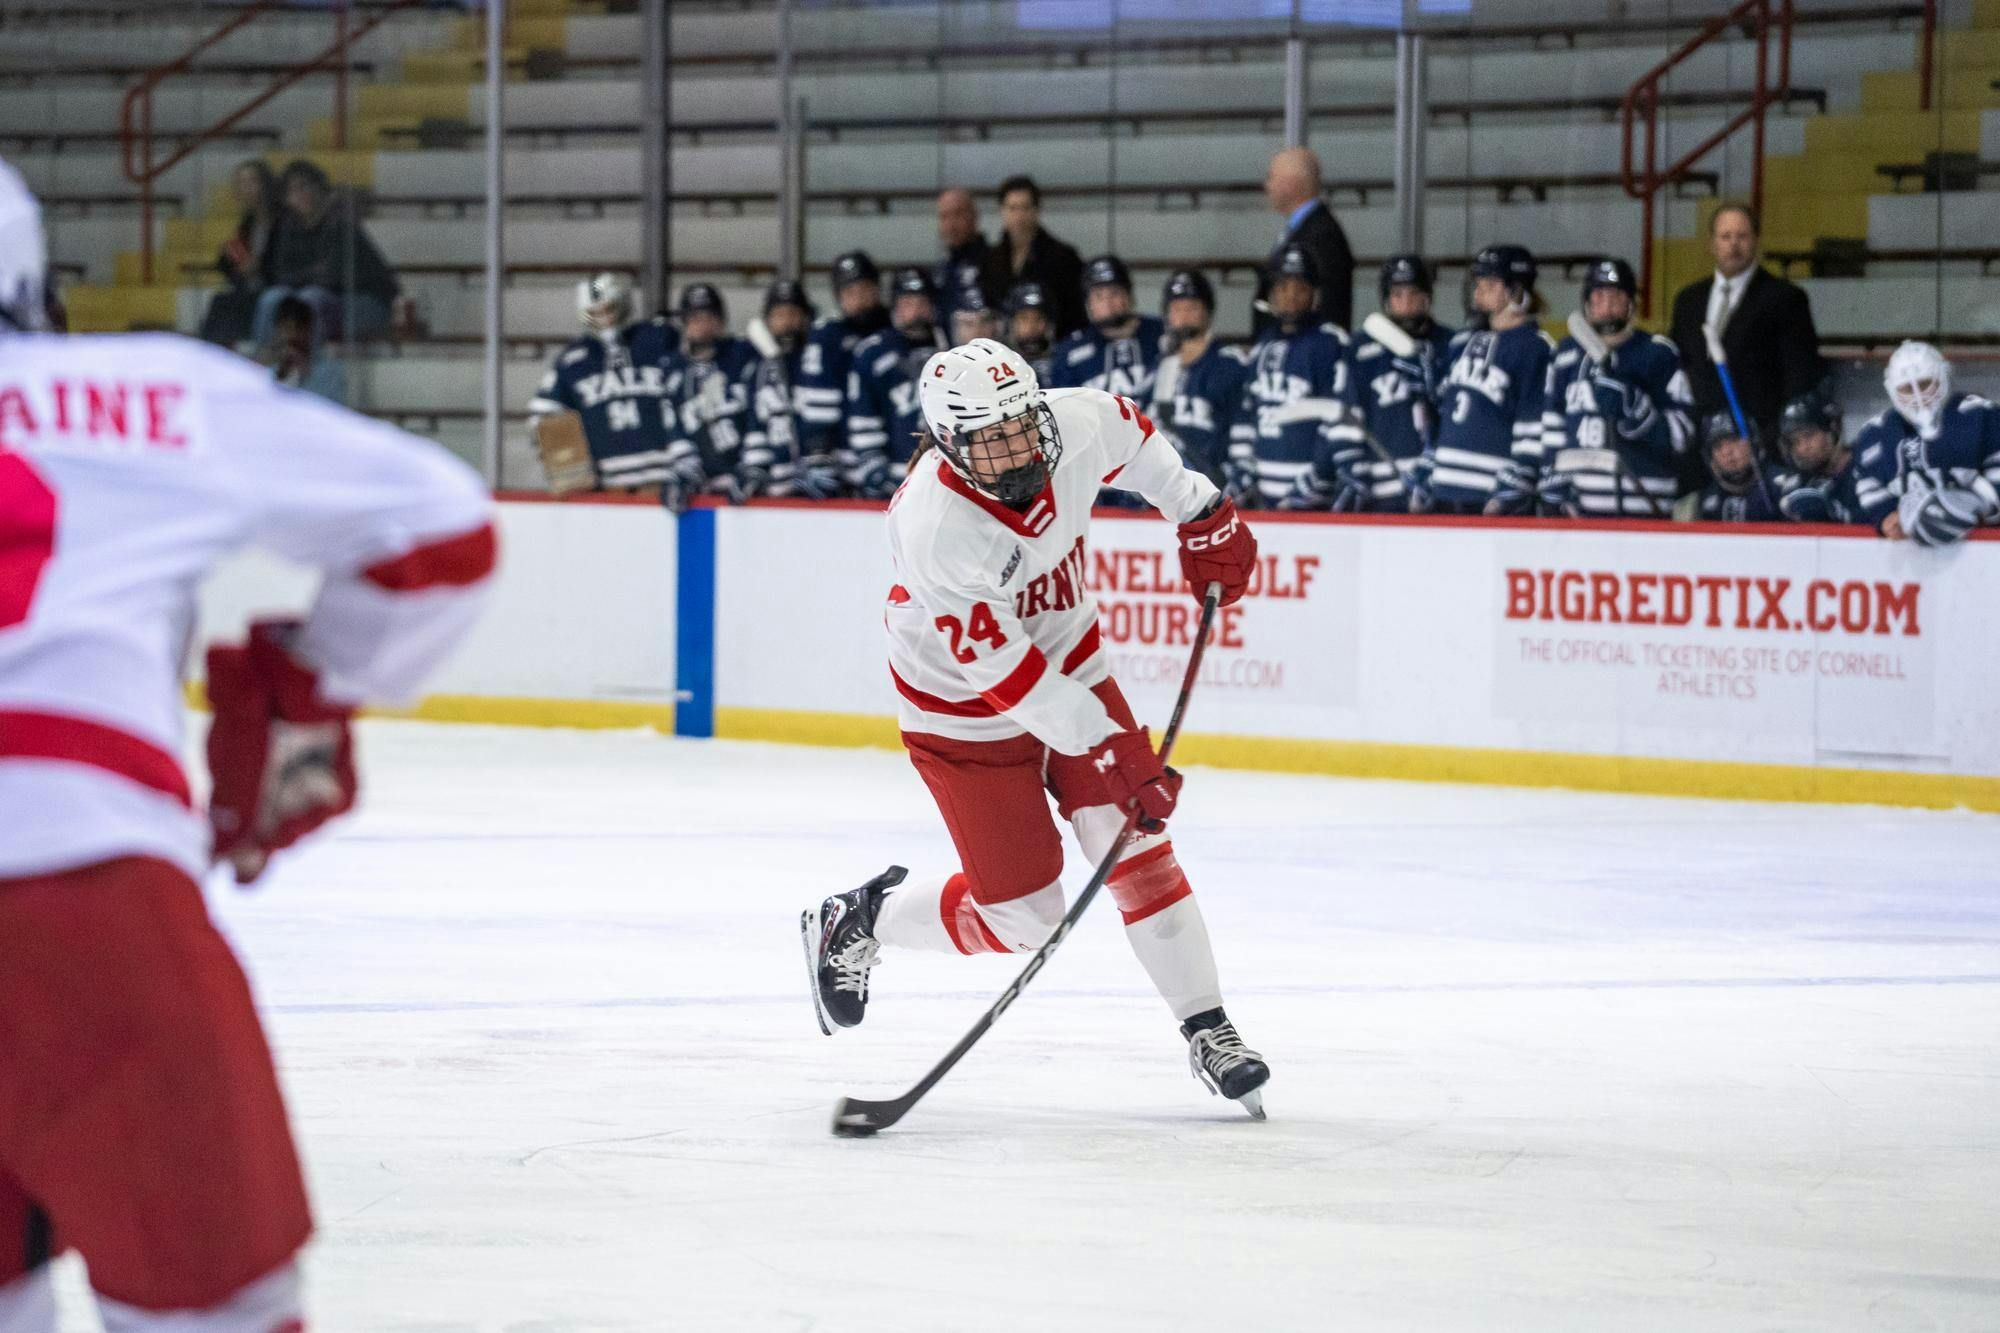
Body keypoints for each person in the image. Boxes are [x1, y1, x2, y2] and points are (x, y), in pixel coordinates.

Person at [0, 159, 495, 1331]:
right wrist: (308, 684)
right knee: (213, 1305)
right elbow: (444, 530)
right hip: (86, 893)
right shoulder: (150, 390)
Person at [798, 337, 1272, 1118]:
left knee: (1134, 844)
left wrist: (1201, 511)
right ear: (949, 445)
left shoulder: (1076, 421)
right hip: (963, 712)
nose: (1019, 447)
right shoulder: (934, 525)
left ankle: (1207, 1025)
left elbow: (1139, 442)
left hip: (1072, 665)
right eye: (994, 439)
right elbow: (1009, 676)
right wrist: (1113, 745)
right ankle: (864, 918)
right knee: (1024, 919)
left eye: (1023, 425)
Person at [1669, 203, 1824, 488]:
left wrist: (1761, 439)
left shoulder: (1786, 298)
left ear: (1756, 240)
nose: (1734, 245)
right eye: (1725, 237)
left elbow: (1799, 378)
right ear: (1712, 243)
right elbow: (1678, 370)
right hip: (1698, 453)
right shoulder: (1688, 301)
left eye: (1742, 236)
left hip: (1758, 453)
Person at [1293, 255, 1452, 511]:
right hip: (1382, 491)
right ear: (1386, 300)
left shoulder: (1449, 346)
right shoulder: (1361, 350)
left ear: (1428, 297)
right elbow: (1346, 414)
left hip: (1436, 486)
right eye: (1398, 295)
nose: (1406, 303)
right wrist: (1352, 469)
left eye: (1413, 294)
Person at [1541, 258, 1695, 519]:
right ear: (1587, 303)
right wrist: (1553, 482)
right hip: (1578, 510)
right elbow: (1552, 424)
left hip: (1645, 506)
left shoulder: (1659, 353)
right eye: (1599, 296)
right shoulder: (1565, 355)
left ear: (1631, 303)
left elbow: (1683, 435)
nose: (1607, 306)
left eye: (1616, 297)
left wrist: (1636, 410)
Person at [1418, 245, 1556, 515]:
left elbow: (1534, 427)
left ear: (1516, 292)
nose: (1478, 293)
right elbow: (1445, 415)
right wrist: (1428, 465)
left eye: (1490, 285)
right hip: (1444, 490)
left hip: (1489, 495)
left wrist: (1518, 481)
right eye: (1478, 284)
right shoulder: (1461, 343)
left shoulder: (1536, 349)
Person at [526, 272, 683, 492]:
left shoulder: (659, 338)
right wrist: (571, 469)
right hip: (611, 485)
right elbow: (543, 413)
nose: (605, 319)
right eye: (595, 313)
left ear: (624, 305)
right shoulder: (572, 360)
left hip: (668, 479)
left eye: (610, 309)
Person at [1235, 245, 1352, 508]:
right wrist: (1245, 470)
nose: (1291, 295)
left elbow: (1339, 415)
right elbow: (1248, 412)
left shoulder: (1330, 342)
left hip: (1312, 499)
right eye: (1283, 287)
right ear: (1272, 293)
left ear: (1315, 294)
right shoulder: (1263, 345)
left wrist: (1318, 478)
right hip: (1262, 496)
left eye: (1300, 288)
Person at [1852, 340, 2000, 546]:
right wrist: (1886, 514)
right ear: (1892, 390)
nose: (1918, 396)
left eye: (1924, 384)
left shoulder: (1982, 416)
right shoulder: (1874, 434)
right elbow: (1867, 487)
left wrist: (1976, 507)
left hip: (1983, 548)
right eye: (1907, 388)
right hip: (1909, 556)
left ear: (1943, 376)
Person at [251, 159, 399, 348]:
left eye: (304, 187)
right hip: (318, 296)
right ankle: (263, 359)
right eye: (292, 191)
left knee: (310, 299)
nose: (300, 195)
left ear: (319, 188)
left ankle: (306, 363)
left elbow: (332, 276)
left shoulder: (340, 221)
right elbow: (281, 272)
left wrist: (299, 280)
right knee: (272, 298)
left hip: (366, 301)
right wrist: (302, 279)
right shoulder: (288, 226)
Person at [843, 267, 948, 498]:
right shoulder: (872, 353)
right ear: (894, 306)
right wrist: (876, 473)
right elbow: (863, 418)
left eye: (922, 303)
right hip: (895, 480)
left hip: (947, 480)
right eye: (907, 303)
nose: (916, 311)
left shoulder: (952, 348)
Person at [1150, 268, 1254, 496]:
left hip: (1215, 486)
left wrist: (1237, 479)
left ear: (1208, 311)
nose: (1184, 315)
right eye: (1177, 308)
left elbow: (1243, 424)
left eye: (1192, 307)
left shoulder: (1229, 363)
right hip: (1166, 491)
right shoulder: (1161, 366)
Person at [662, 282, 763, 509]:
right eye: (696, 319)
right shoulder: (673, 370)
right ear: (685, 323)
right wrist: (685, 473)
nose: (704, 325)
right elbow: (676, 430)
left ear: (722, 321)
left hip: (754, 486)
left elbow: (759, 413)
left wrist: (755, 465)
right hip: (707, 491)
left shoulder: (743, 355)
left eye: (710, 318)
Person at [794, 250, 889, 491]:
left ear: (877, 289)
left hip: (894, 461)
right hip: (846, 468)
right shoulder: (828, 338)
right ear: (839, 297)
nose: (859, 299)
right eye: (850, 292)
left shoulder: (895, 334)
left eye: (864, 289)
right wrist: (818, 456)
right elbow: (819, 409)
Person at [746, 277, 839, 499]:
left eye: (793, 314)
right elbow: (757, 425)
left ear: (806, 317)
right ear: (767, 321)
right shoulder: (757, 370)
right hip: (778, 490)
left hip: (826, 488)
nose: (787, 322)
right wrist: (755, 470)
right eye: (779, 315)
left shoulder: (820, 360)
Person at [1252, 146, 1354, 338]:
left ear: (1292, 183)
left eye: (1272, 177)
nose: (1268, 186)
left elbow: (1329, 304)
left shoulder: (1322, 234)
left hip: (1307, 350)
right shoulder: (1306, 228)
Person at [1046, 254, 1165, 401]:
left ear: (1129, 295)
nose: (1107, 303)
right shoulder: (1069, 352)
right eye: (1099, 296)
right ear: (1088, 303)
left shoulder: (1162, 332)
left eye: (1114, 293)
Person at [979, 175, 1086, 338]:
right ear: (1002, 211)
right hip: (1001, 346)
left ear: (1036, 210)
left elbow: (1075, 312)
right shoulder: (989, 259)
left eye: (1025, 207)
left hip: (1052, 344)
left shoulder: (1064, 258)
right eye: (1012, 208)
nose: (1019, 216)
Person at [197, 159, 280, 347]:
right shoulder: (248, 222)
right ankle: (210, 353)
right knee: (221, 300)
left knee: (235, 303)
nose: (246, 188)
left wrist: (258, 266)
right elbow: (228, 264)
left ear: (266, 184)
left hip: (274, 286)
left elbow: (284, 259)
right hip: (250, 287)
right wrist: (231, 259)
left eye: (252, 181)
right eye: (241, 183)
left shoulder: (281, 218)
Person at [1770, 385, 1864, 524]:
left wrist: (1834, 513)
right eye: (1794, 441)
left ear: (1834, 429)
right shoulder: (1799, 483)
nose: (1802, 448)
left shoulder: (1866, 469)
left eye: (1808, 436)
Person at [1690, 412, 1781, 522]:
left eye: (1733, 440)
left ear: (1753, 441)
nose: (1726, 451)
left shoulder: (1781, 487)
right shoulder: (1704, 503)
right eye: (1718, 446)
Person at [257, 294, 347, 404]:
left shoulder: (329, 371)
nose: (292, 335)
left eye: (299, 329)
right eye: (286, 328)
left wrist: (305, 374)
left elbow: (328, 407)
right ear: (276, 330)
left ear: (310, 331)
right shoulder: (264, 365)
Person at [931, 187, 990, 322]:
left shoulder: (995, 263)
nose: (951, 224)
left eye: (958, 214)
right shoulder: (940, 271)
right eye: (944, 216)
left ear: (974, 217)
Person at [1004, 280, 1056, 384]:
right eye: (1024, 318)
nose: (1031, 326)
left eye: (1038, 318)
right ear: (1012, 323)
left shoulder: (1065, 360)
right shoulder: (1000, 364)